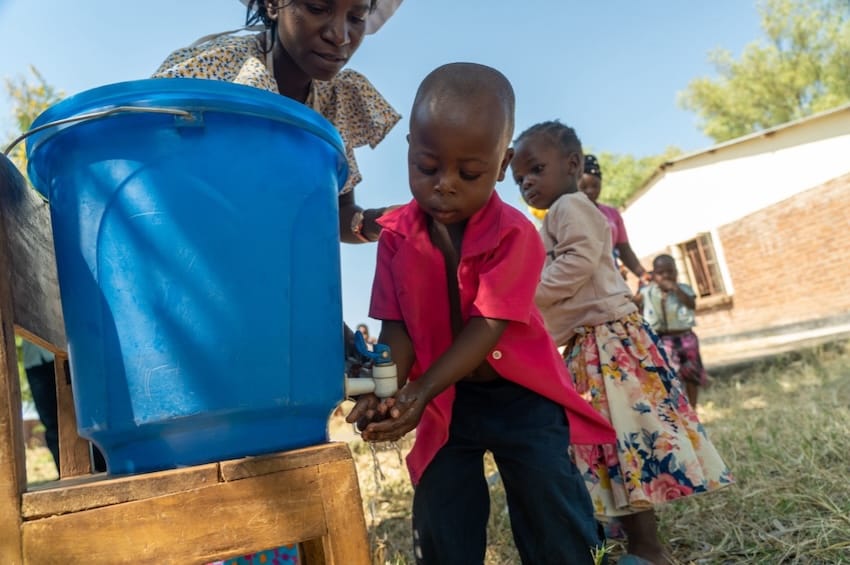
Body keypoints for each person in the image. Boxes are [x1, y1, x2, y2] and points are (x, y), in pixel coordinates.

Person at [346, 62, 617, 565]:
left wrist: (419, 389)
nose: (445, 184)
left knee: (551, 505)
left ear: (500, 164)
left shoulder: (515, 233)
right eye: (428, 167)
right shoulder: (397, 236)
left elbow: (489, 323)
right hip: (448, 405)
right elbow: (396, 327)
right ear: (409, 150)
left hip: (521, 397)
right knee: (441, 514)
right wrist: (387, 394)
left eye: (469, 173)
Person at [511, 120, 733, 565]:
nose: (527, 183)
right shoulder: (560, 213)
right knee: (614, 447)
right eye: (519, 179)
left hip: (609, 345)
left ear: (572, 165)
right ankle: (630, 542)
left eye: (536, 169)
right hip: (592, 345)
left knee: (626, 442)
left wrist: (523, 297)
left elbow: (576, 262)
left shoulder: (570, 206)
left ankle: (648, 549)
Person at [153, 0, 403, 245]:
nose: (340, 36)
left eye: (356, 18)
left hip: (272, 269)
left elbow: (336, 212)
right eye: (317, 8)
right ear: (273, 4)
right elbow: (148, 173)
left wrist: (378, 222)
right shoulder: (214, 73)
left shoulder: (333, 98)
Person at [635, 254, 708, 408]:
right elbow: (635, 303)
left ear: (676, 272)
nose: (666, 276)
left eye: (670, 271)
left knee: (691, 374)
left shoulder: (684, 289)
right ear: (654, 275)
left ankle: (693, 408)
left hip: (686, 337)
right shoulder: (647, 292)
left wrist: (676, 289)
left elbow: (691, 304)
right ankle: (678, 409)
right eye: (661, 273)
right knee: (670, 375)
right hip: (664, 339)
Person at [579, 154, 650, 281]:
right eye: (584, 187)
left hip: (612, 274)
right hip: (586, 277)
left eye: (594, 185)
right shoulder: (570, 214)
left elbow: (624, 249)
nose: (590, 191)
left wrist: (642, 274)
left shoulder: (612, 213)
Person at [21, 340, 59, 471]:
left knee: (76, 416)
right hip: (33, 363)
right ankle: (63, 470)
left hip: (59, 355)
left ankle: (99, 467)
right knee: (49, 421)